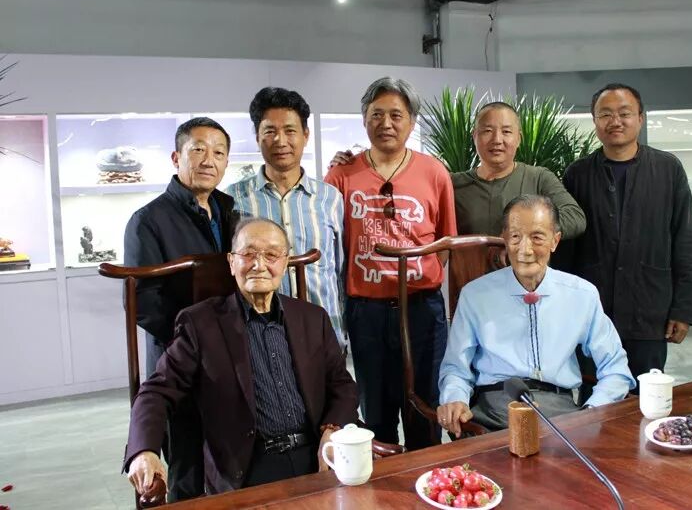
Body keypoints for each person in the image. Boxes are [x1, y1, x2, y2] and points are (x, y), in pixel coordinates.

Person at [124, 218, 358, 498]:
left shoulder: (312, 318)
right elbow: (156, 391)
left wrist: (333, 430)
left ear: (285, 262)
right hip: (248, 469)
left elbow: (342, 385)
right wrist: (144, 450)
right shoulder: (200, 324)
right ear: (231, 262)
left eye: (271, 255)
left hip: (318, 457)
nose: (259, 265)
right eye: (248, 254)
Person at [324, 77, 457, 449]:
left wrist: (418, 277)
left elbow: (444, 243)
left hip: (422, 310)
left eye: (396, 115)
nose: (386, 123)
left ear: (412, 122)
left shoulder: (434, 172)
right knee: (375, 413)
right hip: (366, 312)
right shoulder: (341, 175)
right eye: (376, 114)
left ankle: (426, 477)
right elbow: (332, 245)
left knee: (425, 409)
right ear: (364, 120)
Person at [437, 195, 634, 437]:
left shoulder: (582, 294)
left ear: (555, 241)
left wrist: (591, 411)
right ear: (505, 239)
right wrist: (455, 398)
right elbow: (455, 368)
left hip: (560, 413)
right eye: (515, 237)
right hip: (493, 414)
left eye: (537, 237)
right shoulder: (475, 295)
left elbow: (616, 368)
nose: (525, 249)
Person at [123, 116, 238, 501]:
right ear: (176, 157)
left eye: (218, 153)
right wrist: (195, 339)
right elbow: (144, 303)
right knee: (186, 463)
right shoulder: (148, 220)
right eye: (198, 150)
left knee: (229, 458)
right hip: (178, 358)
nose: (209, 160)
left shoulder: (228, 210)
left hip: (228, 356)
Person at [561, 83, 692, 390]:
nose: (615, 121)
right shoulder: (577, 174)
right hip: (593, 312)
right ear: (595, 121)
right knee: (594, 396)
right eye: (605, 114)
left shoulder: (668, 169)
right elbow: (565, 250)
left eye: (624, 113)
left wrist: (683, 310)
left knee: (646, 397)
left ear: (640, 118)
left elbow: (685, 241)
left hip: (648, 309)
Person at [226, 87, 347, 348]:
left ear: (306, 135)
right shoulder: (234, 199)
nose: (280, 141)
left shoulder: (331, 198)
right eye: (270, 131)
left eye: (290, 130)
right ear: (257, 137)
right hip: (260, 338)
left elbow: (340, 271)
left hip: (324, 334)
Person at [452, 101, 585, 238]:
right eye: (487, 131)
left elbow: (575, 217)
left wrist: (526, 231)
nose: (497, 140)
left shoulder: (538, 178)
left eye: (506, 132)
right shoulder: (452, 184)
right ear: (474, 136)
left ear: (518, 139)